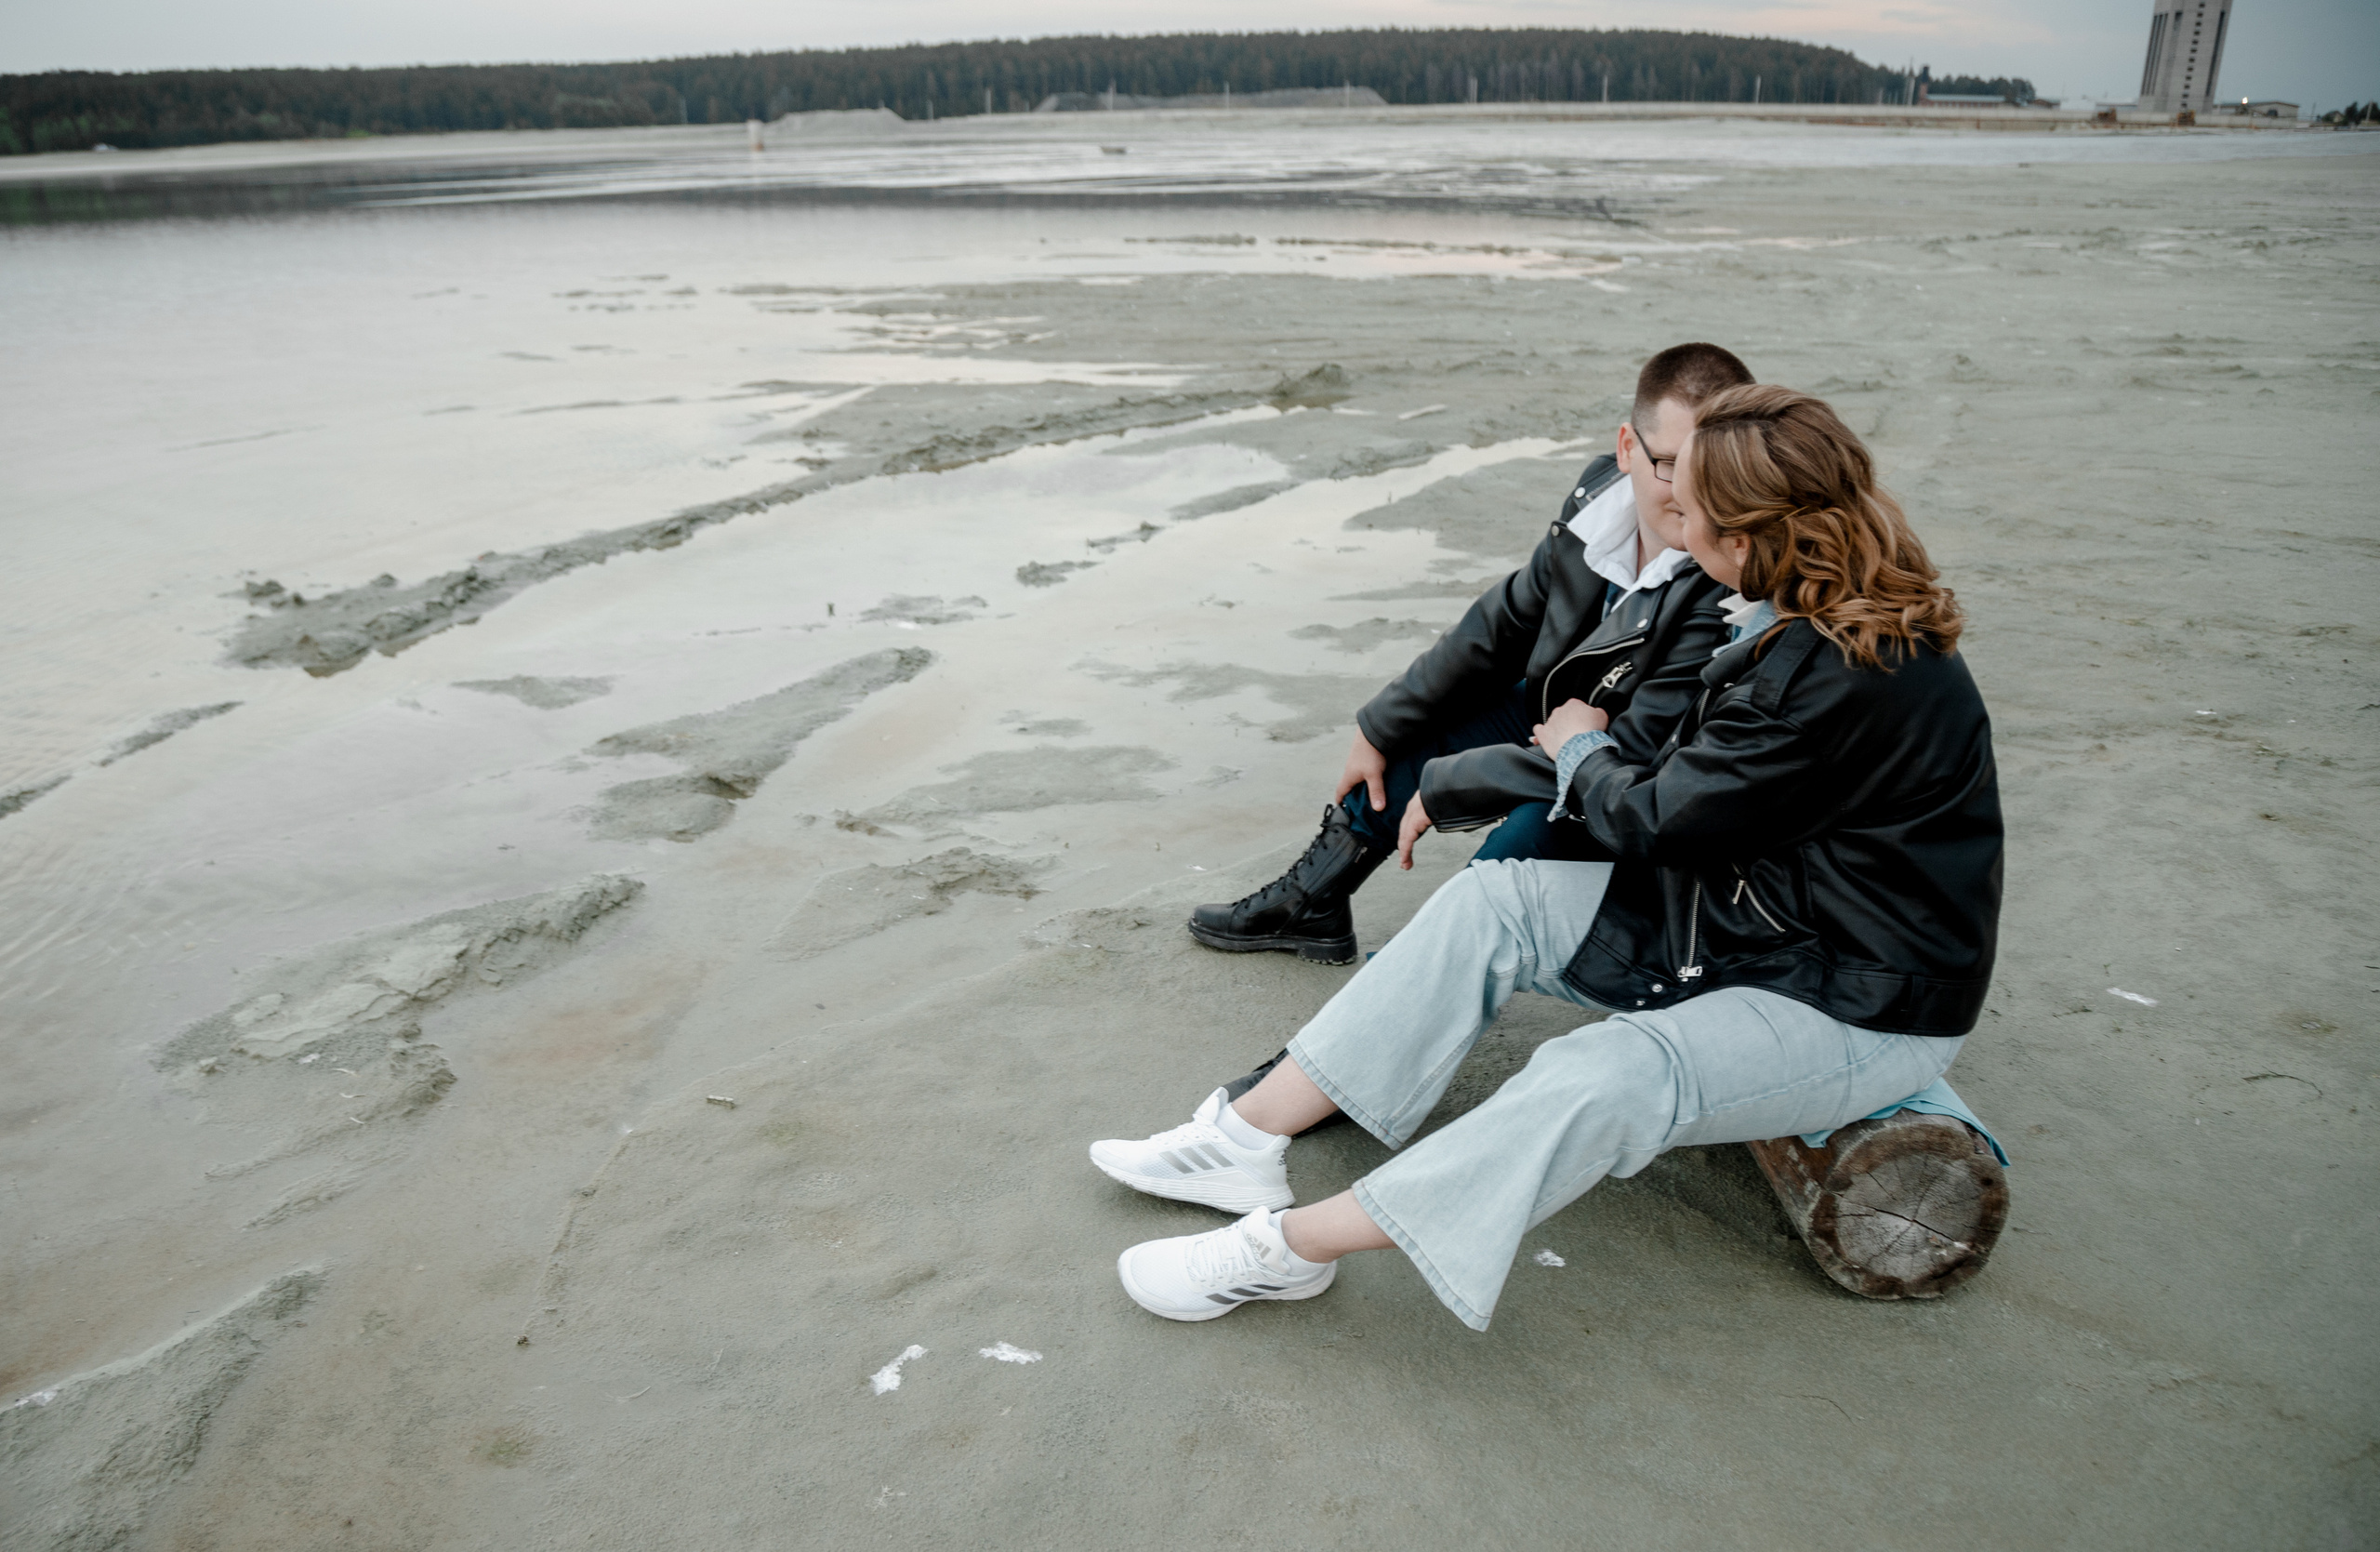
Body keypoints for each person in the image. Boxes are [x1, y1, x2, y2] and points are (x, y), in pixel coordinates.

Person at [1091, 384, 2003, 1329]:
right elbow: (1674, 785)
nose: (1675, 531)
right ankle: (1243, 1136)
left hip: (1859, 997)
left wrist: (1575, 741)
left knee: (1602, 1074)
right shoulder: (1793, 614)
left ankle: (1288, 1250)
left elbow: (1650, 816)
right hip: (1756, 928)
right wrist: (1509, 762)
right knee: (1499, 901)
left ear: (1758, 533)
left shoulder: (1837, 670)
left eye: (1693, 513)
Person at [1184, 343, 1754, 970]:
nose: (1690, 493)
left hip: (1631, 782)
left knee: (1514, 848)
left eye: (1712, 467)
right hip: (1563, 719)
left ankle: (1414, 978)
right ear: (1626, 449)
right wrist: (1378, 724)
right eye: (1670, 464)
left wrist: (1454, 786)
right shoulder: (1599, 500)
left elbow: (1640, 756)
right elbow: (1506, 619)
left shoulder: (1725, 574)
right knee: (1409, 741)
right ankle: (1310, 905)